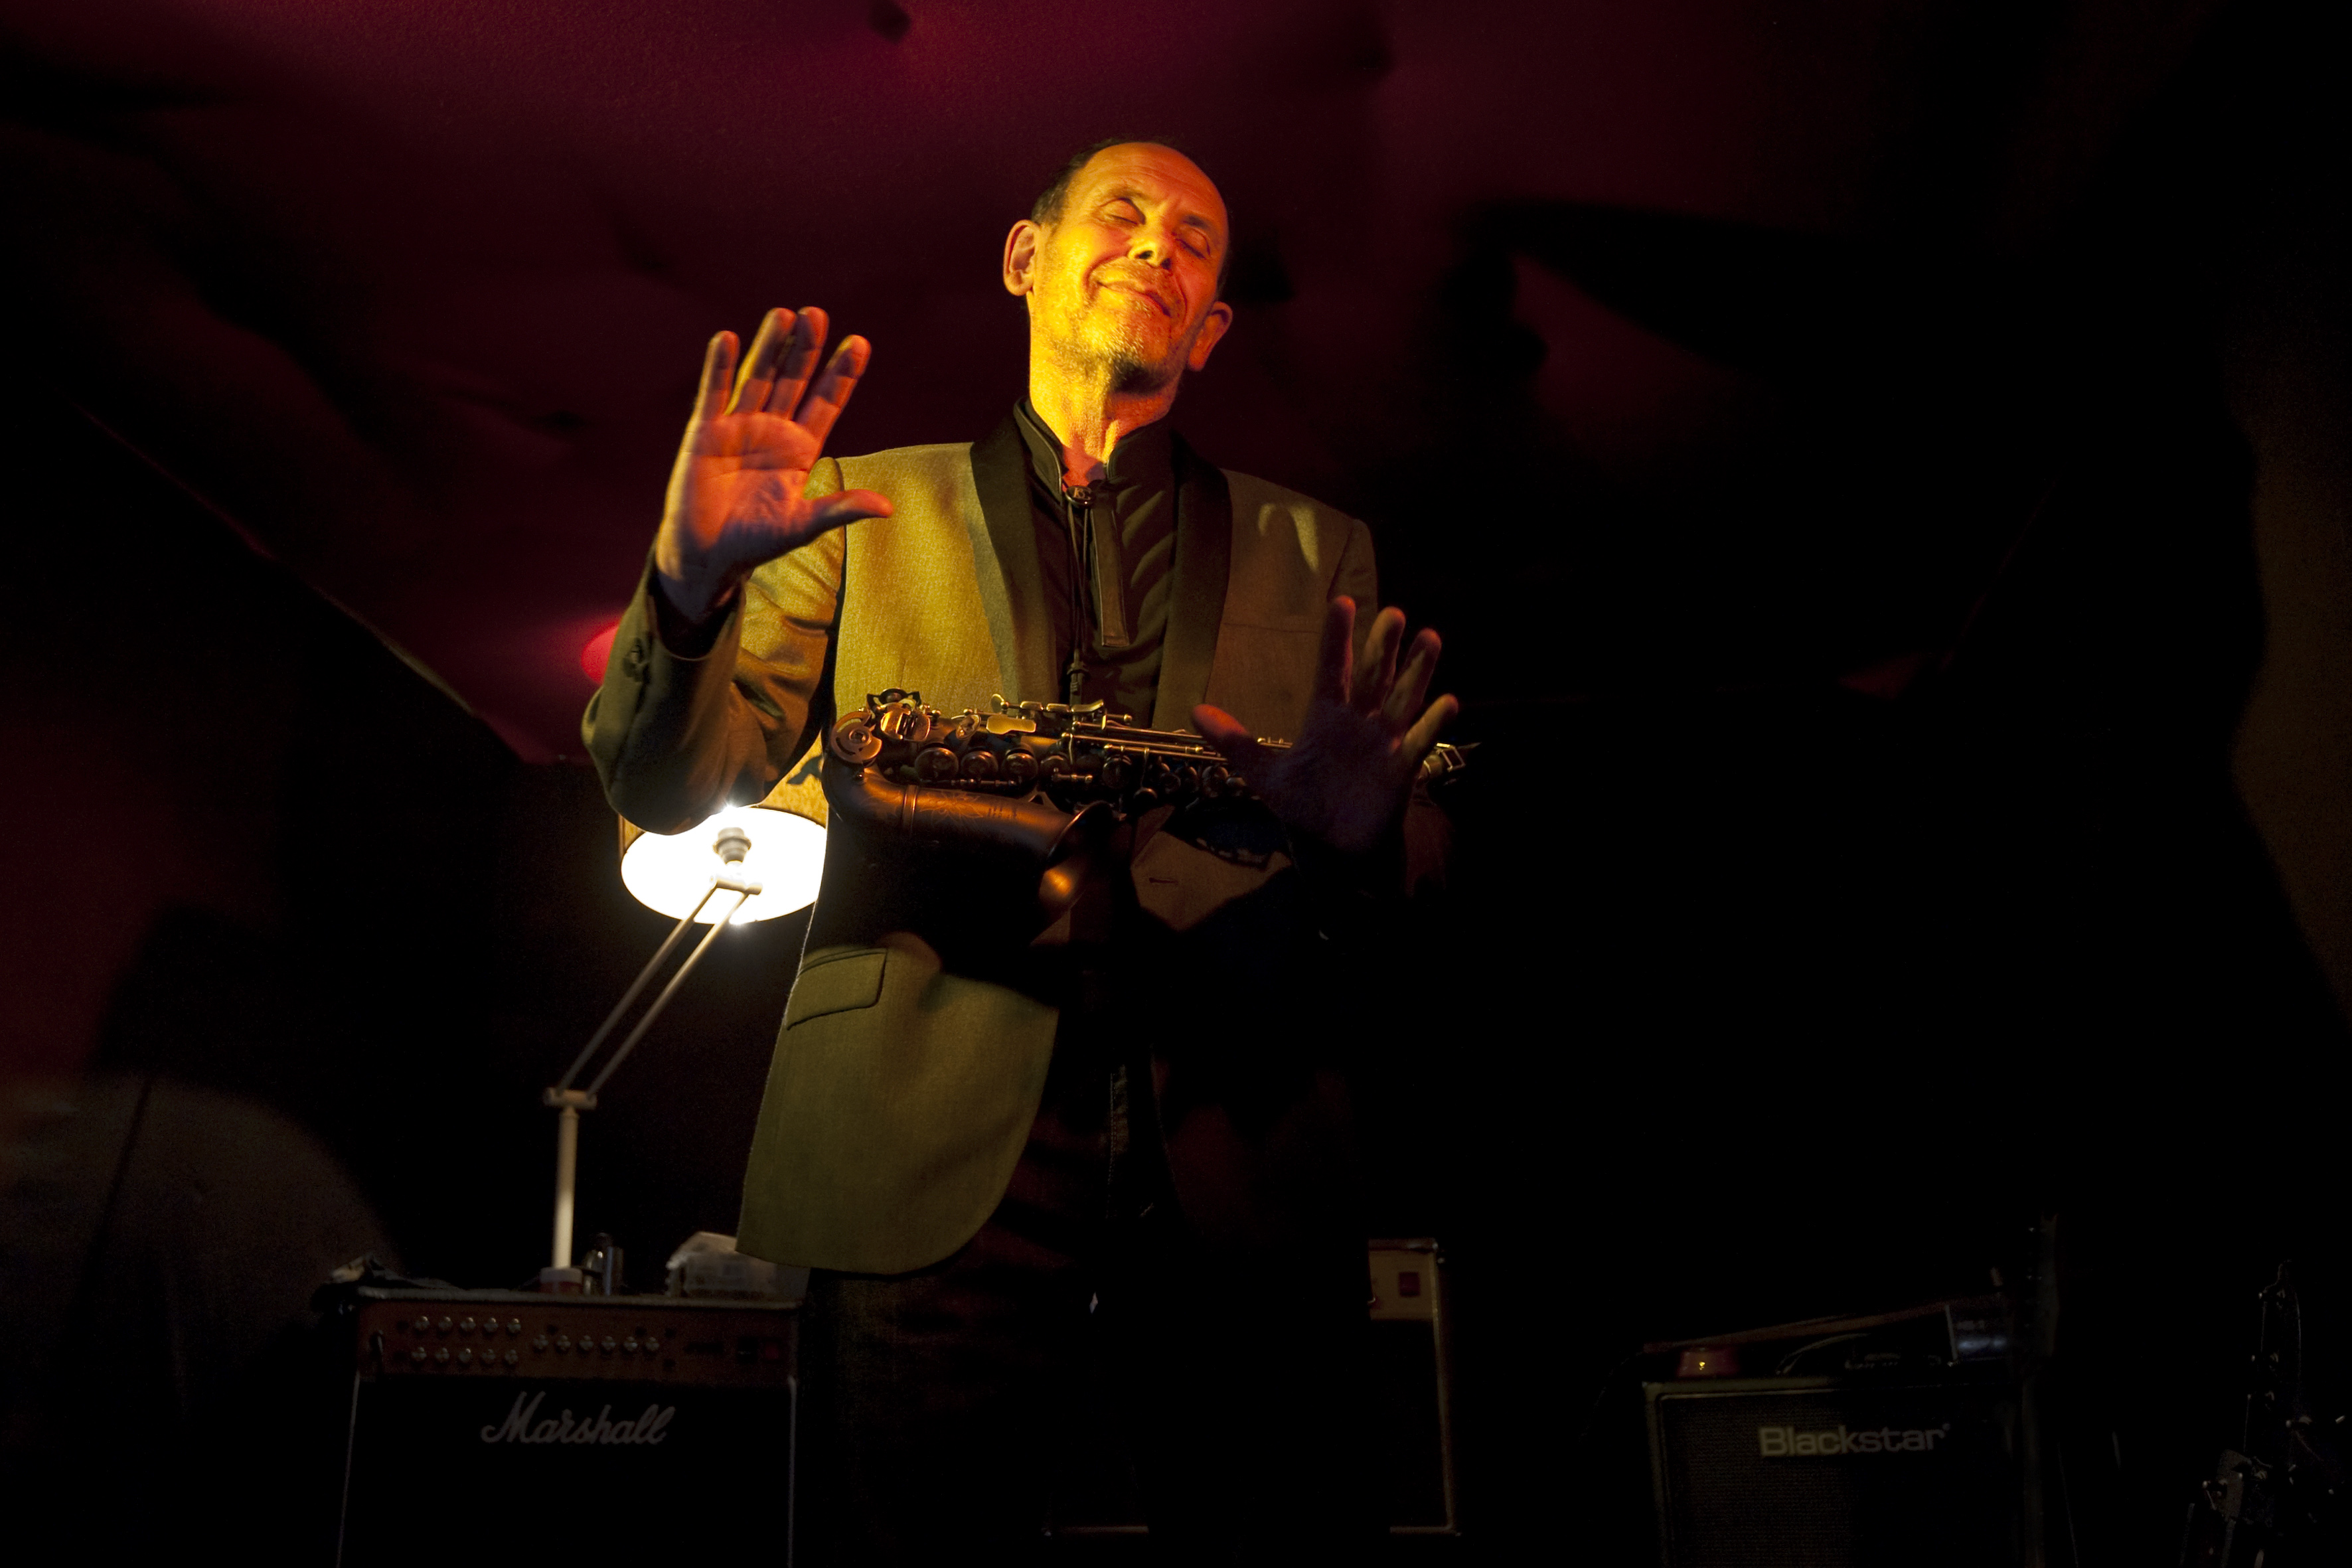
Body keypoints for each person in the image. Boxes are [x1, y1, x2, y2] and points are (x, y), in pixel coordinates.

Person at [585, 138, 1455, 1563]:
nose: (1157, 246)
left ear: (1211, 328)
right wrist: (684, 596)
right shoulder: (854, 509)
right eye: (1123, 213)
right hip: (918, 1127)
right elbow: (673, 788)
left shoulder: (1320, 548)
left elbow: (1406, 877)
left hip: (1235, 1132)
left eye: (1194, 240)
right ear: (1025, 258)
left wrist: (1363, 847)